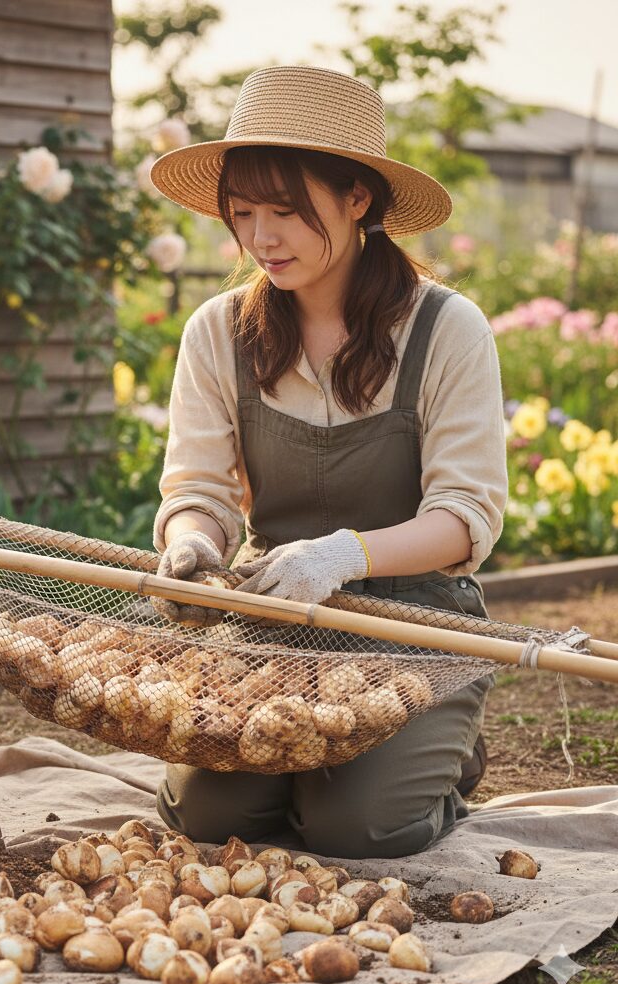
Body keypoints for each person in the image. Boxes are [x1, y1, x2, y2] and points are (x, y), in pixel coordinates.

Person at [147, 65, 507, 859]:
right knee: (212, 816)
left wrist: (347, 554)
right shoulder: (217, 332)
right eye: (242, 214)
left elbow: (466, 517)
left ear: (358, 200)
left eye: (286, 211)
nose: (261, 239)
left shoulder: (447, 330)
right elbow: (198, 487)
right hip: (272, 612)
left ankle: (444, 758)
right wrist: (191, 543)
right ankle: (318, 775)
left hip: (413, 627)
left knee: (362, 826)